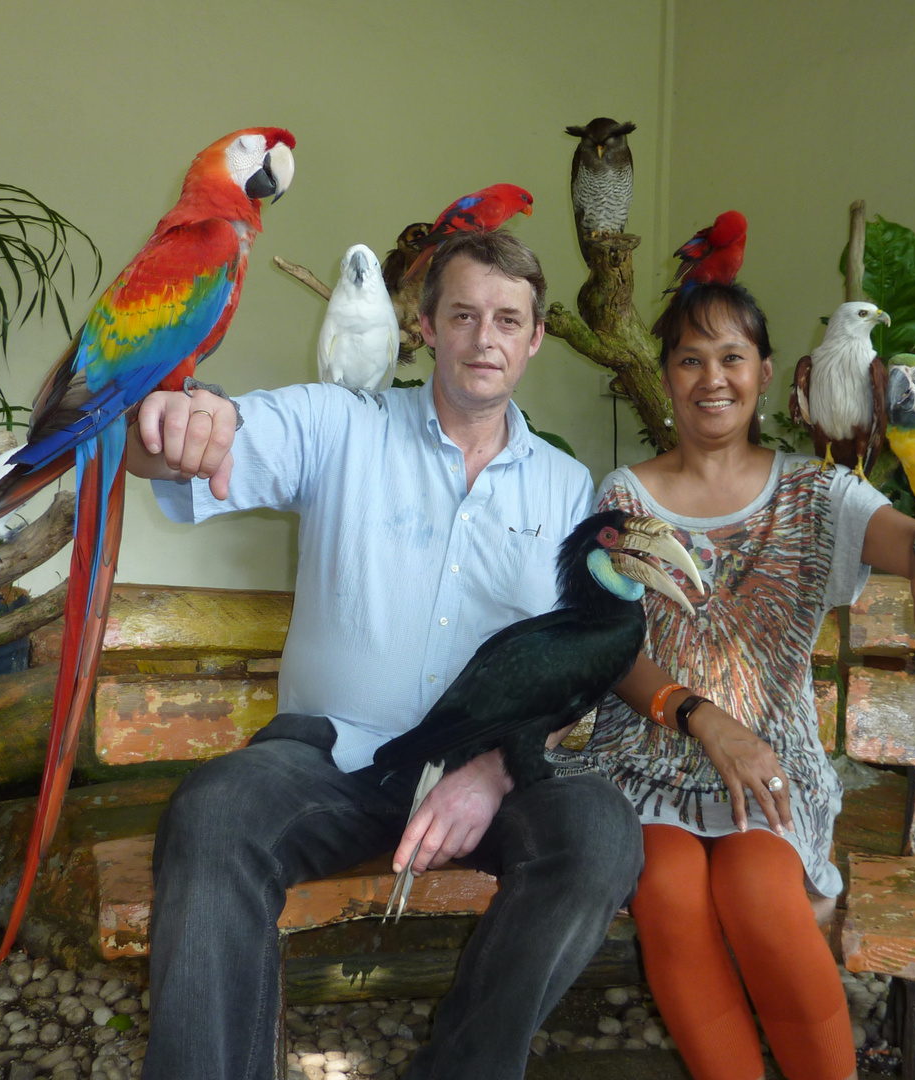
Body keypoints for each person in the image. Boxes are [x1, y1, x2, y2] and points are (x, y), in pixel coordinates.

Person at [124, 230, 644, 1080]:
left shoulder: (565, 487)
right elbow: (186, 450)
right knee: (216, 813)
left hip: (477, 779)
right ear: (425, 326)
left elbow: (569, 672)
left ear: (536, 337)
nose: (486, 339)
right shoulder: (343, 425)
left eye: (508, 320)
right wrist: (181, 416)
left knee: (599, 832)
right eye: (465, 314)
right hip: (331, 765)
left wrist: (495, 772)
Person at [584, 282, 915, 1080]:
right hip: (648, 761)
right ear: (665, 376)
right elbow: (610, 651)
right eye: (690, 360)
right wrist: (699, 718)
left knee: (762, 899)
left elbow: (908, 537)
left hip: (771, 771)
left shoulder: (815, 492)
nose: (712, 379)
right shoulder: (624, 498)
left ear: (767, 373)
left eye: (732, 357)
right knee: (665, 894)